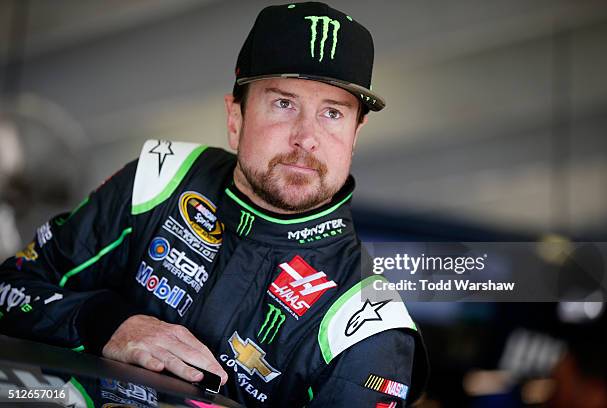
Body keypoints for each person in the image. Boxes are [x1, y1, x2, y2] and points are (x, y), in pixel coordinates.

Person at [0, 2, 427, 407]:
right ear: (235, 118)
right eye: (283, 103)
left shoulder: (368, 329)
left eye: (333, 113)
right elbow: (10, 287)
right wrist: (107, 323)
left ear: (355, 135)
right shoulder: (161, 178)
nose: (306, 137)